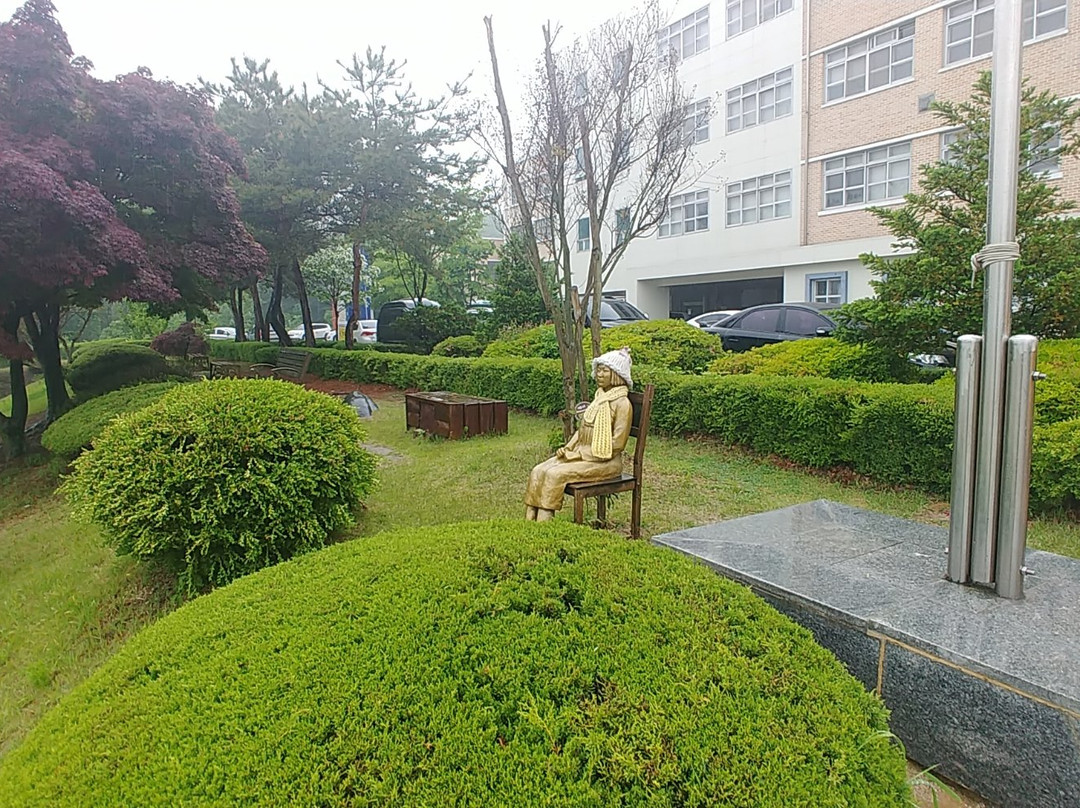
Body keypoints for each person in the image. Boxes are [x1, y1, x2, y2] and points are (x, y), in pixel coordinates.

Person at [525, 347, 633, 521]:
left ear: (616, 375)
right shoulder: (599, 398)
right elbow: (582, 430)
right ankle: (528, 524)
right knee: (538, 470)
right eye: (598, 370)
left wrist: (580, 454)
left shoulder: (623, 404)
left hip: (605, 461)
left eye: (604, 371)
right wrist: (568, 448)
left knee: (554, 474)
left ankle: (542, 527)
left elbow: (617, 445)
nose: (599, 374)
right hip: (582, 454)